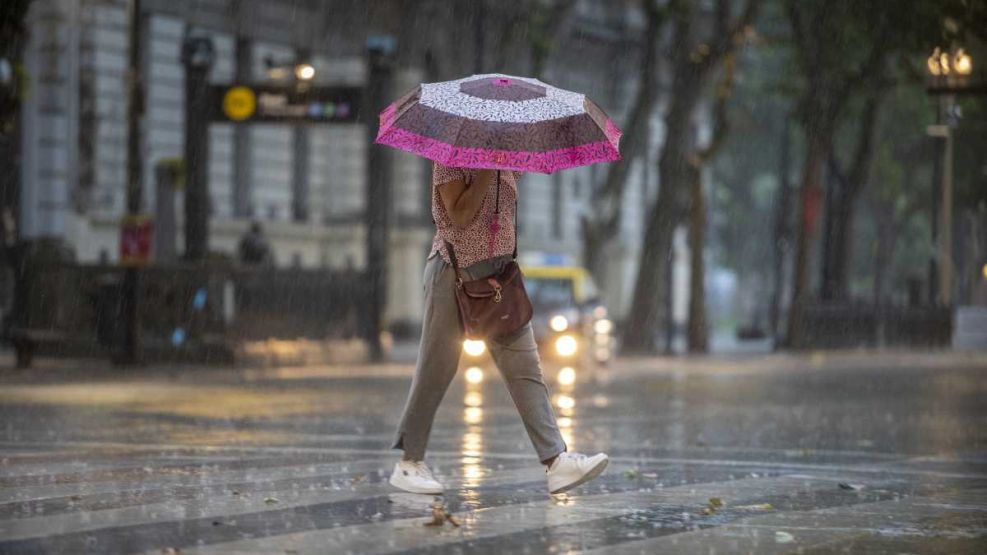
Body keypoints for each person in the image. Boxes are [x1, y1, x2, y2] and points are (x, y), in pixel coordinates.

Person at [389, 162, 608, 495]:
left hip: (497, 279)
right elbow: (459, 216)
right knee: (436, 368)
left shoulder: (508, 155)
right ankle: (408, 463)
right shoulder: (451, 154)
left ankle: (556, 462)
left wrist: (504, 165)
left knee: (526, 370)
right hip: (453, 275)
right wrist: (487, 171)